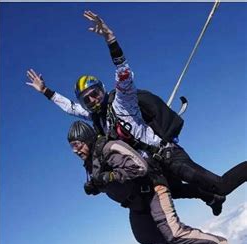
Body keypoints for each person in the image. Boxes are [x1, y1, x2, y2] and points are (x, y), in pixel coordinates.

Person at [26, 10, 247, 215]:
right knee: (176, 191)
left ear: (102, 90)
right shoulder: (96, 118)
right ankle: (211, 198)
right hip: (153, 164)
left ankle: (215, 193)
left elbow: (124, 74)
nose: (93, 100)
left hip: (168, 154)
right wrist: (45, 91)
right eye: (87, 98)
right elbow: (69, 107)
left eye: (95, 93)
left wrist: (111, 39)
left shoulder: (122, 102)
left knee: (221, 185)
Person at [67, 120, 241, 244]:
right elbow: (108, 181)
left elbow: (139, 167)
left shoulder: (109, 148)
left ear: (87, 139)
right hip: (137, 202)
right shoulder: (92, 162)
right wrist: (95, 186)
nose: (75, 150)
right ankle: (184, 243)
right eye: (72, 147)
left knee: (175, 233)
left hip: (152, 189)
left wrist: (110, 176)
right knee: (144, 236)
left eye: (77, 144)